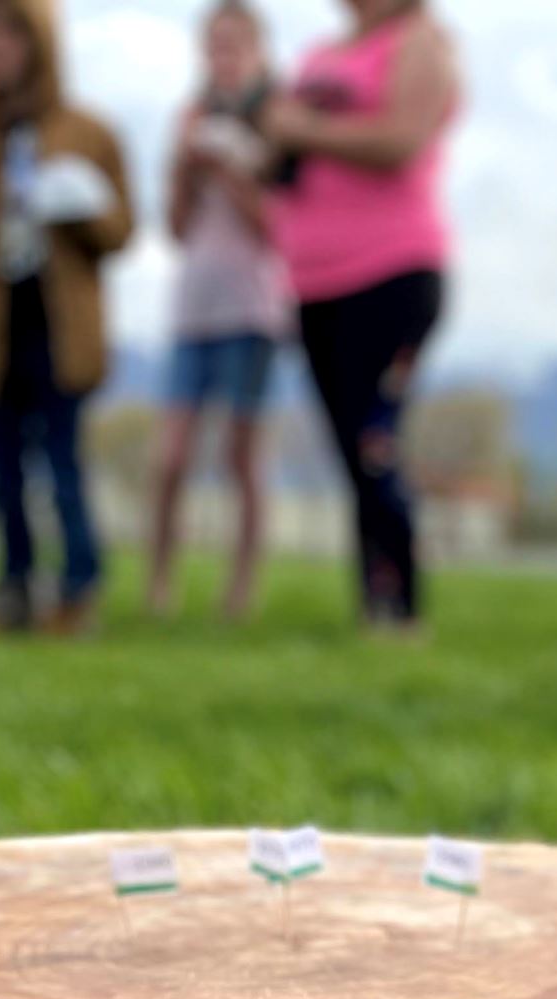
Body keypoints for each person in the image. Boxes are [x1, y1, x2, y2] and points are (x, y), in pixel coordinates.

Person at [0, 0, 133, 636]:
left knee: (63, 461)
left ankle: (78, 585)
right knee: (3, 464)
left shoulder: (87, 131)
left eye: (9, 29)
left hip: (58, 320)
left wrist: (78, 206)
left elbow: (120, 230)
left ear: (38, 41)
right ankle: (15, 583)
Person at [263, 0, 459, 638]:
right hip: (313, 280)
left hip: (394, 271)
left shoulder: (419, 40)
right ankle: (375, 606)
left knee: (376, 442)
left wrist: (302, 132)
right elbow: (280, 159)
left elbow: (402, 139)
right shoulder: (320, 55)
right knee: (351, 448)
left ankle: (401, 609)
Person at [146, 0, 290, 623]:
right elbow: (176, 229)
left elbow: (277, 231)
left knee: (242, 455)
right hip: (192, 308)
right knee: (171, 455)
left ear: (258, 52)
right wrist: (184, 167)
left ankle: (241, 589)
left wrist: (234, 167)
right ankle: (159, 585)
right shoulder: (189, 119)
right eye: (213, 46)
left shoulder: (281, 124)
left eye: (234, 46)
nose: (221, 59)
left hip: (254, 308)